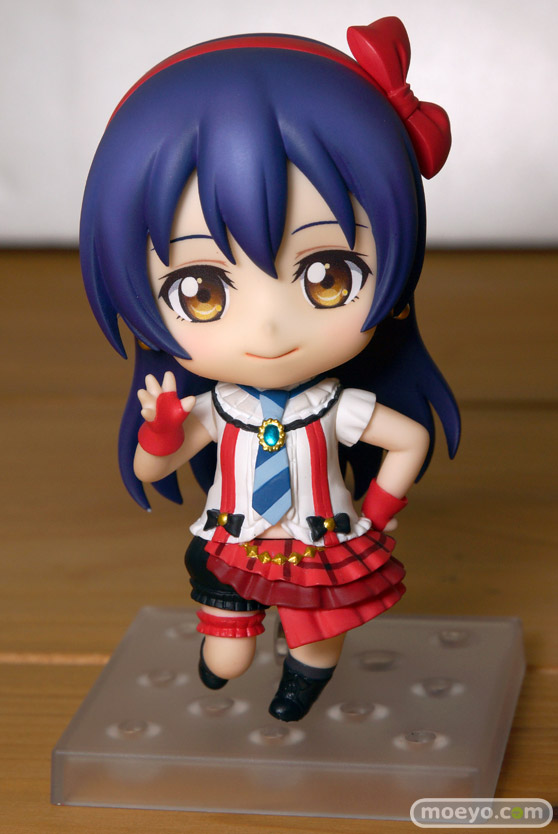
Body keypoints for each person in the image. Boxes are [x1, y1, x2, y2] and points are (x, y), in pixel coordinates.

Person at [80, 17, 460, 721]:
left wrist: (376, 514)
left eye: (327, 277)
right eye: (202, 291)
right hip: (233, 541)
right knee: (227, 655)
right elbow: (150, 467)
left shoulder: (335, 406)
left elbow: (408, 439)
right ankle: (227, 654)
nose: (268, 329)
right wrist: (162, 433)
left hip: (322, 542)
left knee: (319, 640)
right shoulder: (218, 408)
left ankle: (301, 683)